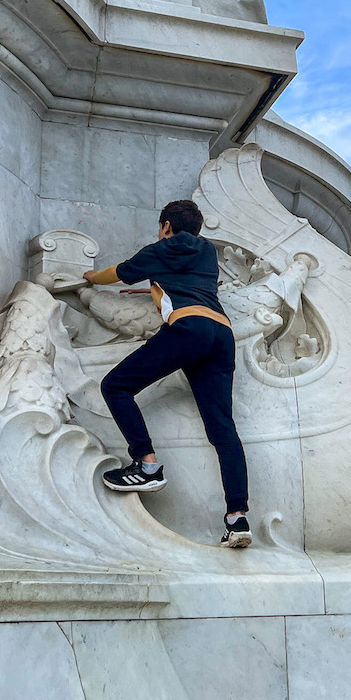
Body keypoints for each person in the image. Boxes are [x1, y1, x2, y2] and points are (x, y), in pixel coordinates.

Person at [83, 200, 251, 548]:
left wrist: (92, 278)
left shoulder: (167, 245)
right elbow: (193, 285)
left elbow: (123, 270)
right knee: (223, 430)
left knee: (115, 386)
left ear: (166, 225)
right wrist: (154, 289)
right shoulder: (207, 253)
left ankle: (147, 465)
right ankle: (237, 517)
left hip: (189, 329)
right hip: (221, 334)